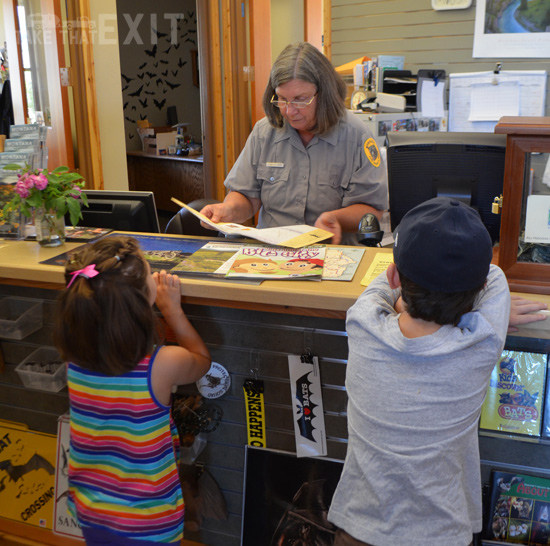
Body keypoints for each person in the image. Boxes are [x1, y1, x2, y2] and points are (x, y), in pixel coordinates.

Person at [327, 197, 544, 546]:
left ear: (396, 275)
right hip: (441, 535)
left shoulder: (363, 324)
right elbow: (495, 276)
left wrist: (408, 296)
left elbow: (381, 290)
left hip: (358, 531)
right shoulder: (483, 340)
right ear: (477, 294)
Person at [53, 236, 211, 546]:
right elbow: (202, 362)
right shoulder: (162, 364)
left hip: (91, 510)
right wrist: (173, 311)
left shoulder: (75, 358)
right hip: (148, 520)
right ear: (141, 302)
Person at [200, 41, 388, 245]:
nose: (289, 111)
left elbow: (373, 211)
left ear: (323, 94)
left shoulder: (356, 136)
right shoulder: (264, 133)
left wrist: (335, 218)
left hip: (332, 255)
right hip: (271, 255)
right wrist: (228, 210)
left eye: (300, 99)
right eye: (281, 99)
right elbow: (246, 196)